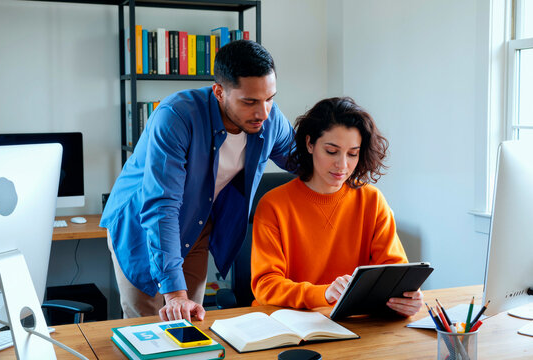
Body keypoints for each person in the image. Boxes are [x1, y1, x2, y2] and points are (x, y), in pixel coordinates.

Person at [101, 40, 295, 322]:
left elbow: (305, 163)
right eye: (250, 101)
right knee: (147, 328)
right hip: (140, 227)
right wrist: (175, 294)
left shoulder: (269, 119)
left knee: (191, 323)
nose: (263, 113)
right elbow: (161, 206)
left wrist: (349, 162)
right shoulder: (176, 117)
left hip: (196, 225)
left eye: (269, 99)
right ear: (219, 92)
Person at [250, 97, 423, 317]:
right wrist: (324, 294)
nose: (342, 165)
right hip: (289, 324)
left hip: (353, 324)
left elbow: (394, 271)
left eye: (352, 154)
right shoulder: (273, 205)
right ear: (310, 144)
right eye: (332, 151)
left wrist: (407, 297)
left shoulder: (372, 200)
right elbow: (266, 285)